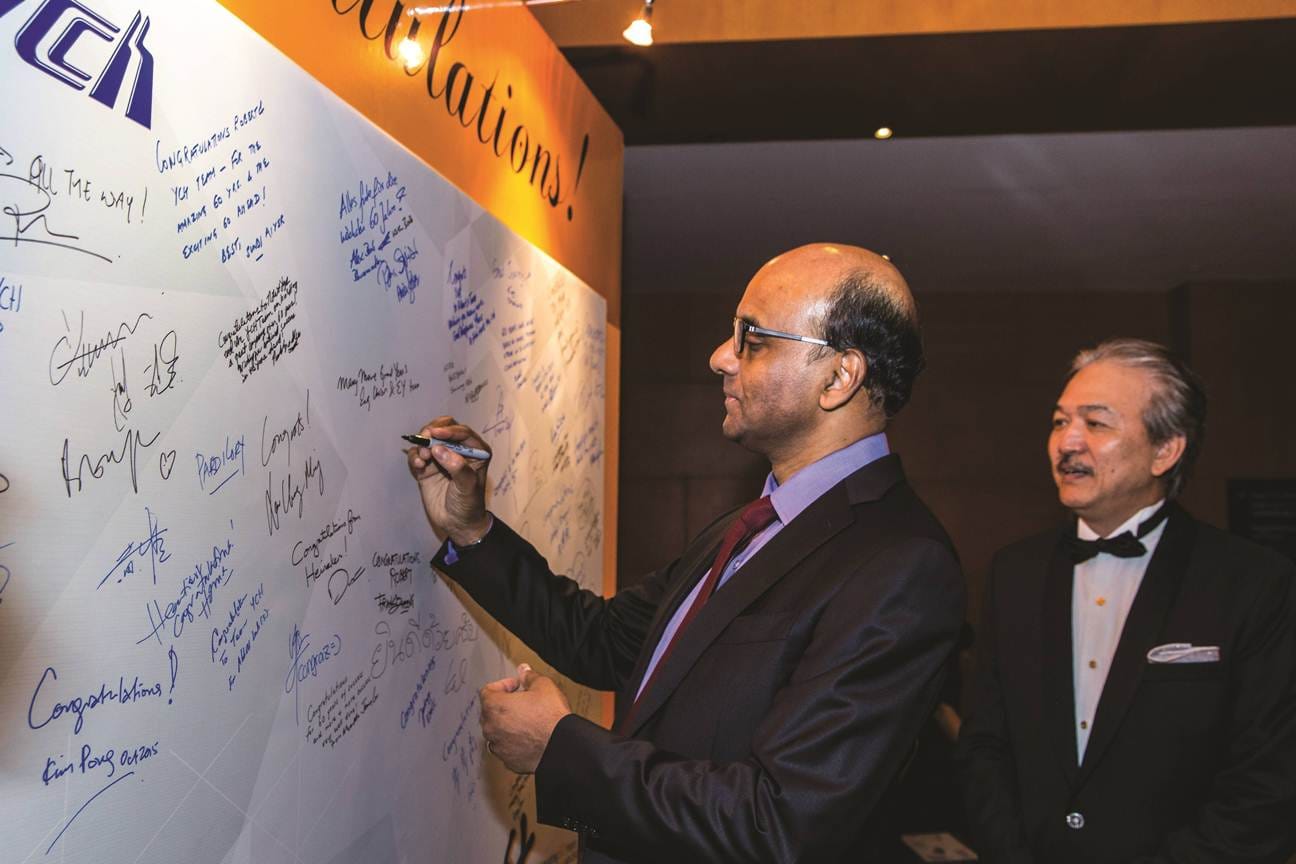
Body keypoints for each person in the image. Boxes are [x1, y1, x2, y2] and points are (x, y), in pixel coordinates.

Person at [408, 243, 965, 863]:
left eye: (753, 338)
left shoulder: (901, 564)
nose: (720, 356)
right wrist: (471, 529)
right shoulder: (751, 524)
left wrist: (558, 748)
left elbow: (780, 822)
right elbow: (604, 641)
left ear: (838, 378)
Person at [958, 338, 1296, 864]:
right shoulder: (1014, 572)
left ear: (1166, 450)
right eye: (1059, 421)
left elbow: (1266, 781)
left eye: (1095, 423)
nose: (1067, 441)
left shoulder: (1252, 583)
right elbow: (984, 745)